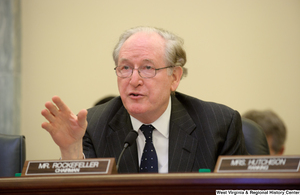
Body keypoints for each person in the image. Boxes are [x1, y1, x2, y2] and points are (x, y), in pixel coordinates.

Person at [41, 26, 248, 173]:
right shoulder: (93, 126)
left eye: (147, 68)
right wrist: (70, 151)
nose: (134, 80)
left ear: (174, 77)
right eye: (125, 68)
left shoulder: (219, 124)